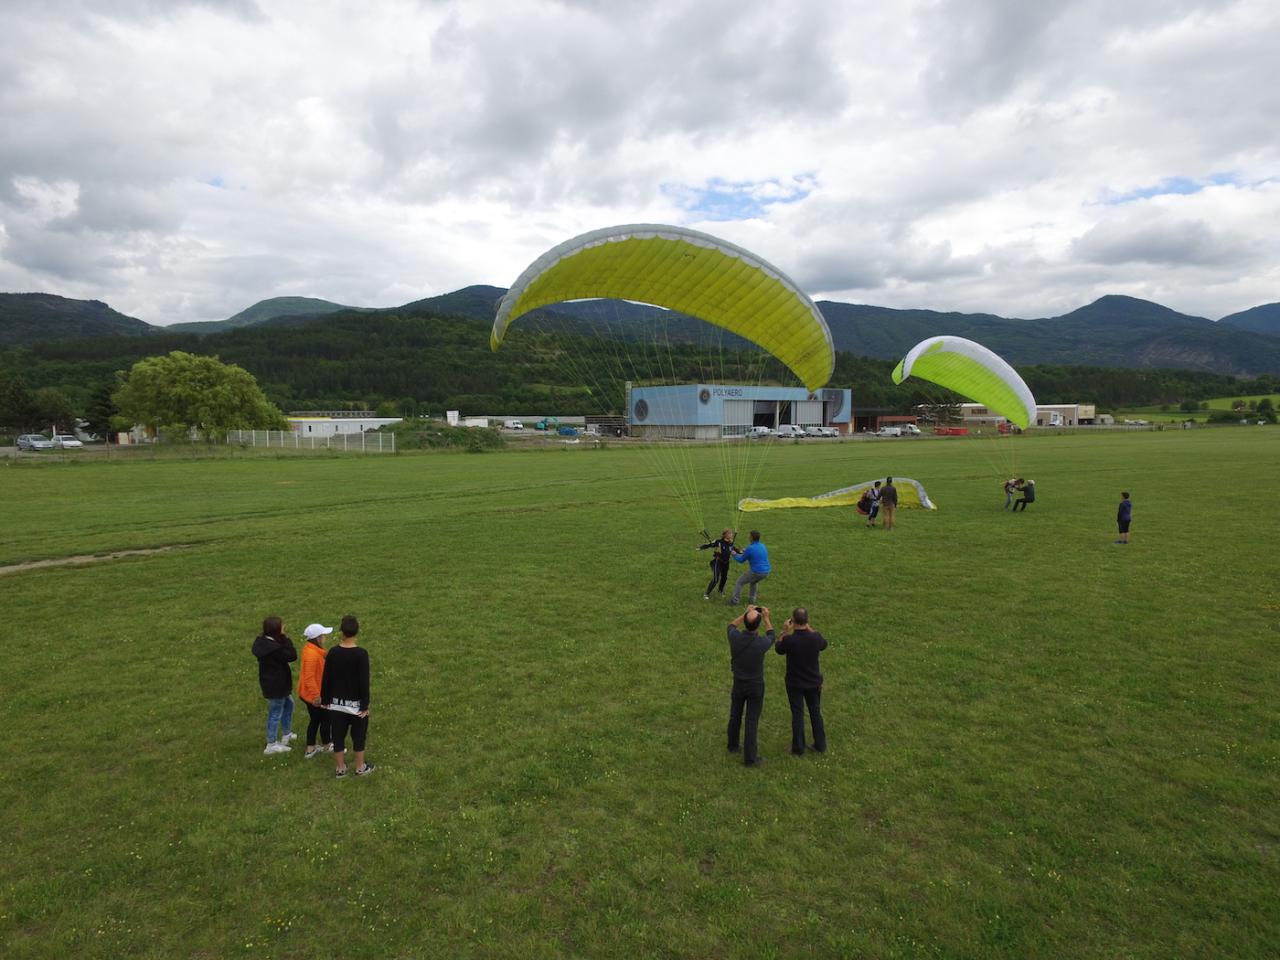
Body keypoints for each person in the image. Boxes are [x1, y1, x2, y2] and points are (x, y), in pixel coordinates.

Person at [320, 614, 374, 778]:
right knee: (359, 737)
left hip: (336, 704)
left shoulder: (333, 653)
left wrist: (325, 699)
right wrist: (364, 705)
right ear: (357, 632)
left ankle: (340, 768)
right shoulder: (361, 654)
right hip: (356, 706)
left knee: (337, 736)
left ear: (341, 632)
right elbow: (364, 681)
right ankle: (360, 767)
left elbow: (326, 677)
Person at [726, 605, 775, 767]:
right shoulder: (761, 643)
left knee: (735, 715)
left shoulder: (735, 638)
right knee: (751, 720)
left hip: (738, 682)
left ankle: (732, 745)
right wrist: (766, 617)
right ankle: (750, 758)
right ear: (758, 626)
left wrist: (745, 613)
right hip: (755, 684)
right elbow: (771, 635)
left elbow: (731, 625)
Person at [775, 608, 828, 755]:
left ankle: (798, 748)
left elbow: (778, 649)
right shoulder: (815, 637)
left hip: (795, 683)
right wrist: (809, 628)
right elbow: (824, 644)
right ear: (807, 620)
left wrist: (784, 631)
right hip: (813, 683)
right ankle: (820, 745)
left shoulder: (790, 640)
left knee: (797, 714)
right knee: (815, 713)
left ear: (793, 621)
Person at [252, 616, 297, 755]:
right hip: (277, 685)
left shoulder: (263, 643)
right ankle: (271, 743)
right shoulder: (274, 649)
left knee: (289, 705)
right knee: (275, 712)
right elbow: (292, 655)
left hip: (274, 683)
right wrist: (286, 638)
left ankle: (286, 733)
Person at [297, 623, 334, 758]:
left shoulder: (310, 649)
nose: (325, 638)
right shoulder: (312, 655)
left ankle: (312, 747)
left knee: (317, 719)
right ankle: (324, 745)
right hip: (313, 695)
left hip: (308, 693)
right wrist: (316, 697)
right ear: (317, 638)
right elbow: (309, 678)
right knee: (323, 719)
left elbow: (322, 654)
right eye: (323, 635)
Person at [728, 530, 770, 605]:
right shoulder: (762, 545)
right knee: (754, 581)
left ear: (752, 538)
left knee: (739, 582)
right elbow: (755, 553)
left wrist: (734, 554)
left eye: (749, 536)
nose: (748, 537)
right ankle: (752, 600)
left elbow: (741, 560)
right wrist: (746, 551)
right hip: (766, 571)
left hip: (757, 572)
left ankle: (734, 601)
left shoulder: (750, 548)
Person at [698, 529, 736, 600]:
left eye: (731, 534)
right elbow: (709, 545)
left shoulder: (731, 543)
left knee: (724, 577)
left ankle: (720, 590)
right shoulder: (718, 542)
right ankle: (706, 593)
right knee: (716, 578)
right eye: (729, 534)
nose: (731, 535)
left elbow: (735, 549)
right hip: (717, 562)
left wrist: (742, 551)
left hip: (726, 563)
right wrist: (701, 548)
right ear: (724, 535)